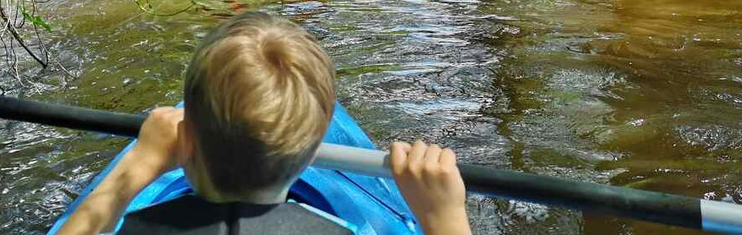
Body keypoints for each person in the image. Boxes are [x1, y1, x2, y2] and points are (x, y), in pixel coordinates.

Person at [57, 12, 472, 235]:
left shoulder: (135, 229)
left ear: (185, 143)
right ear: (314, 152)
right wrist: (444, 219)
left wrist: (132, 171)